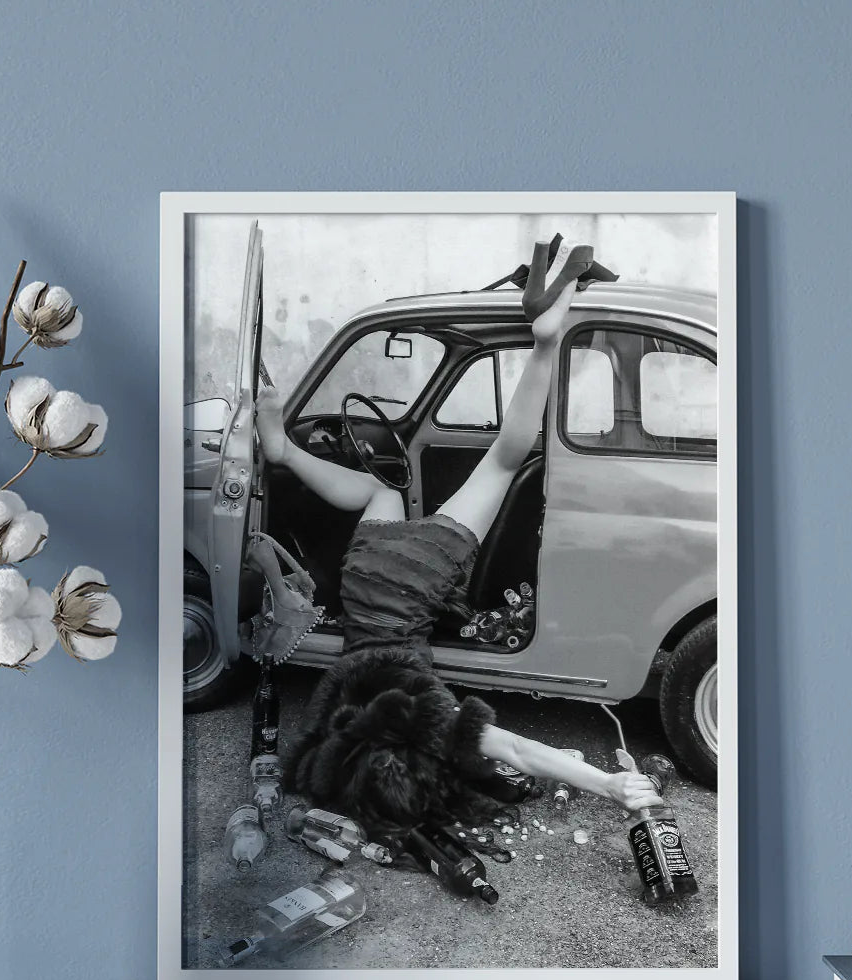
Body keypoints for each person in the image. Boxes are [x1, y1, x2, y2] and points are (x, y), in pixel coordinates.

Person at [254, 239, 664, 838]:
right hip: (364, 581)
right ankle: (285, 449)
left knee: (501, 460)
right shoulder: (336, 733)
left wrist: (608, 784)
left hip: (416, 580)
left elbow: (518, 751)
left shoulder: (429, 719)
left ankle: (545, 339)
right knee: (383, 491)